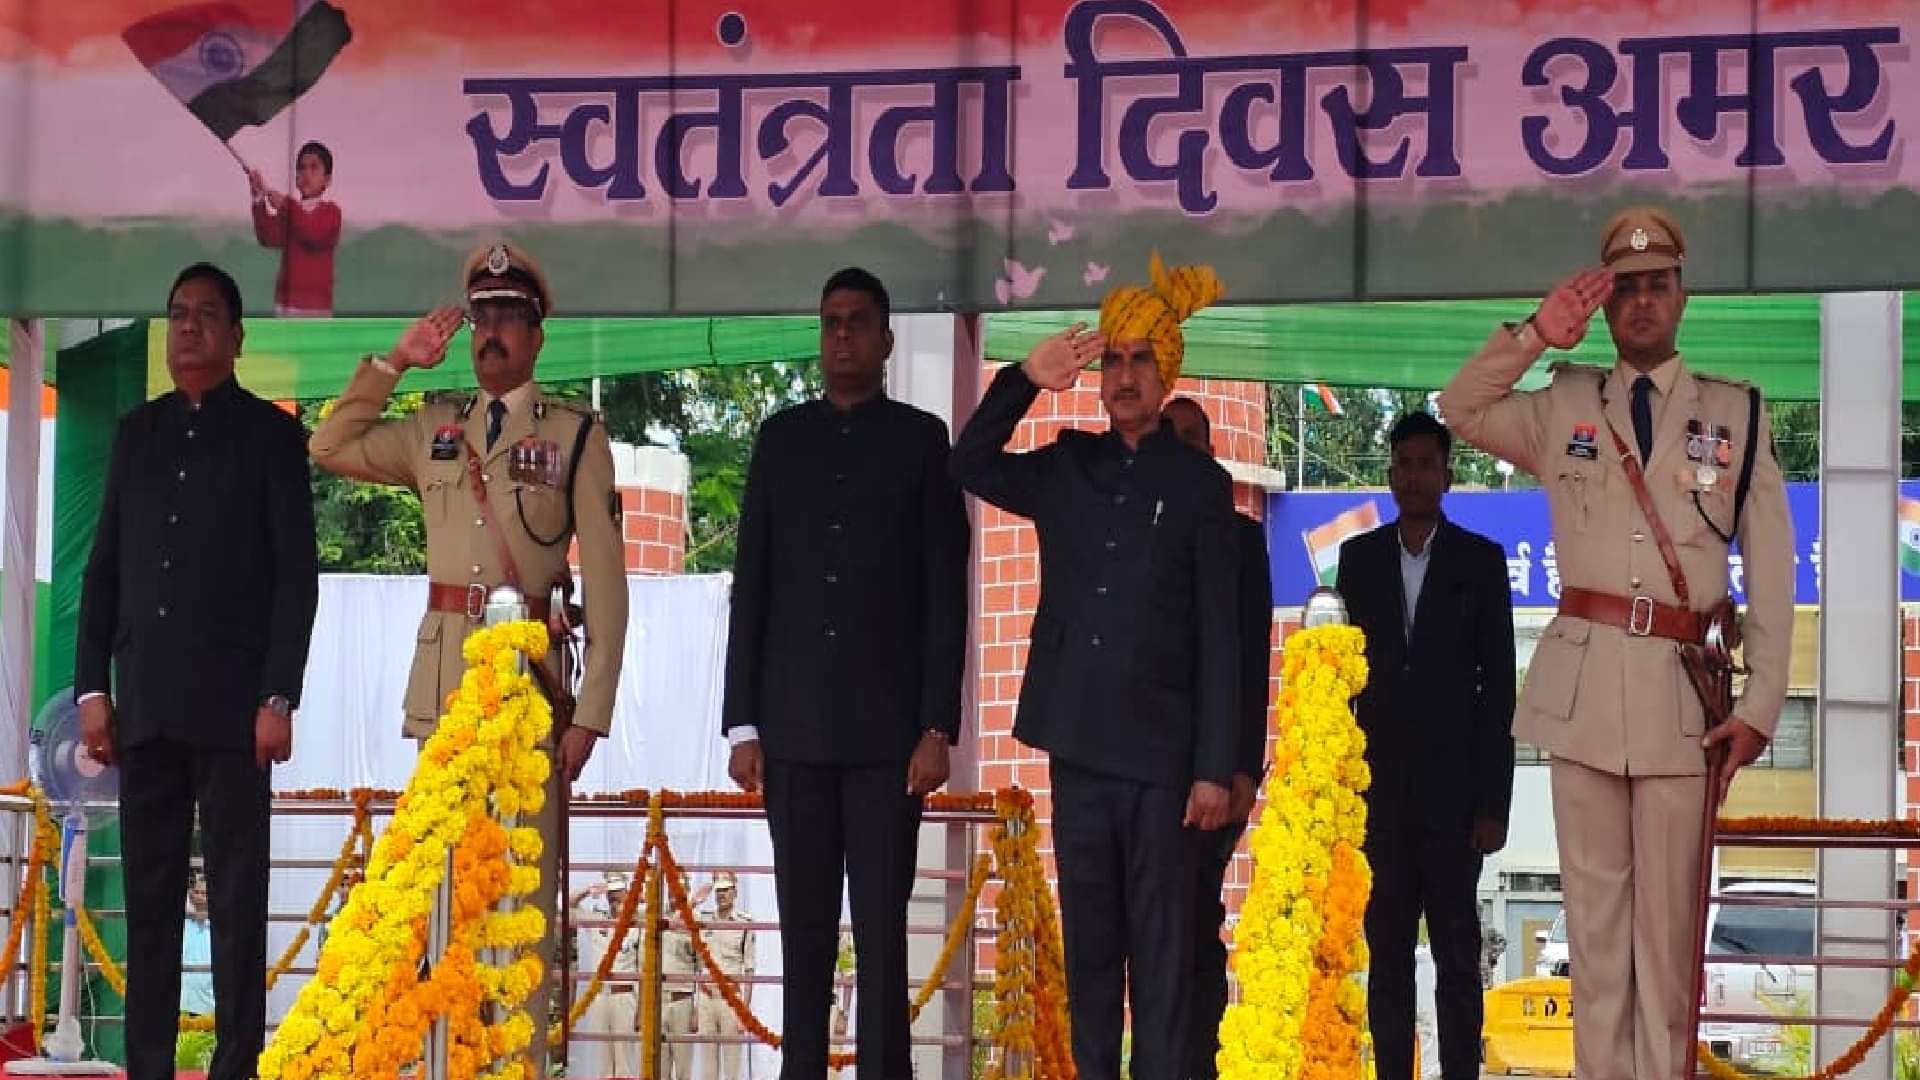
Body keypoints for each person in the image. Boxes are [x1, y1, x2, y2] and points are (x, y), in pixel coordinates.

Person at [1438, 206, 1792, 1080]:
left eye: (1656, 285)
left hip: (1684, 704)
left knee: (1668, 951)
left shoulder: (1735, 413)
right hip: (1585, 699)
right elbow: (1458, 408)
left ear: (1682, 295)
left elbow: (1774, 567)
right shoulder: (1563, 400)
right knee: (1595, 947)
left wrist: (1760, 704)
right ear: (1603, 307)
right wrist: (1534, 332)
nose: (1640, 301)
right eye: (1623, 288)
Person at [308, 240, 630, 1076]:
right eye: (480, 316)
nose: (491, 332)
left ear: (536, 334)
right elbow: (331, 445)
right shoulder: (431, 425)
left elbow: (610, 583)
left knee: (518, 891)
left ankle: (515, 1066)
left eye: (509, 318)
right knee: (446, 894)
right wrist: (394, 361)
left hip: (531, 689)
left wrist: (590, 715)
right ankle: (450, 1063)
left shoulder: (575, 434)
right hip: (447, 690)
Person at [950, 254, 1237, 1080]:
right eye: (1112, 357)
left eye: (1141, 358)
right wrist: (1024, 380)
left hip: (1163, 763)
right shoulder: (1069, 464)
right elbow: (965, 463)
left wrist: (1215, 768)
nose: (1123, 374)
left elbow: (1222, 636)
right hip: (1079, 748)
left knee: (1161, 961)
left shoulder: (1201, 486)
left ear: (1167, 368)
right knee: (1090, 957)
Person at [722, 267, 969, 1080]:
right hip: (791, 733)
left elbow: (946, 590)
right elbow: (750, 581)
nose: (842, 336)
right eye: (830, 322)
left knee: (883, 939)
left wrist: (937, 728)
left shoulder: (921, 440)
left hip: (888, 741)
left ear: (886, 340)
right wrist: (743, 722)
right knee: (804, 938)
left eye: (858, 322)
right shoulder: (781, 438)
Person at [75, 261, 319, 1080]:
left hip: (235, 714)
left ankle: (235, 1065)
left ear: (237, 336)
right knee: (148, 904)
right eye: (177, 313)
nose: (188, 327)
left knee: (239, 900)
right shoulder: (135, 434)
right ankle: (147, 1066)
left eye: (206, 315)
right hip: (143, 708)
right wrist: (92, 688)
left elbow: (296, 580)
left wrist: (278, 695)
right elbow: (103, 570)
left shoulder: (270, 436)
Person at [1333, 410, 1516, 1080]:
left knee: (1457, 961)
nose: (1414, 476)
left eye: (1426, 465)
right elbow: (1340, 683)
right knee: (1385, 958)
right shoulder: (1356, 560)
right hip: (1378, 800)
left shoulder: (1480, 562)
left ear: (1447, 475)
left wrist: (1493, 803)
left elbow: (1500, 693)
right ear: (1390, 475)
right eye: (1403, 464)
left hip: (1456, 803)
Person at [1160, 396, 1271, 1080]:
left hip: (1213, 772)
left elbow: (1250, 657)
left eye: (1195, 437)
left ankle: (1199, 1062)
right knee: (1149, 930)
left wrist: (1239, 770)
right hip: (1143, 767)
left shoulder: (1239, 536)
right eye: (1173, 437)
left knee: (1197, 922)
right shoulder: (1138, 523)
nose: (1185, 447)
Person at [248, 140, 342, 316]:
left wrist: (285, 205)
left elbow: (312, 233)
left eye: (314, 168)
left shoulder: (332, 212)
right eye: (302, 168)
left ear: (327, 180)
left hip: (317, 309)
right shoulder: (291, 213)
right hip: (285, 305)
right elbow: (268, 237)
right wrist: (259, 199)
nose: (306, 173)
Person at [570, 873, 640, 1079]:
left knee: (624, 1060)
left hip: (624, 996)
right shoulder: (598, 919)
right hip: (600, 996)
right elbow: (570, 904)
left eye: (618, 893)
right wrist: (588, 890)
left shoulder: (637, 925)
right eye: (610, 894)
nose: (614, 898)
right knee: (603, 1061)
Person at [699, 872, 758, 1080]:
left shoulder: (745, 923)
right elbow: (677, 920)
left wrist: (745, 1011)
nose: (721, 895)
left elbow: (749, 969)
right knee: (708, 1069)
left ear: (735, 892)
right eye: (718, 890)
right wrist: (696, 900)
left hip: (731, 1000)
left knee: (732, 1068)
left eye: (725, 890)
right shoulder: (704, 920)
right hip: (706, 997)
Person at [179, 872, 215, 1019]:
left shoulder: (219, 928)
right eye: (197, 892)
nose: (200, 897)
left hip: (209, 1008)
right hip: (182, 1006)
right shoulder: (184, 922)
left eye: (205, 893)